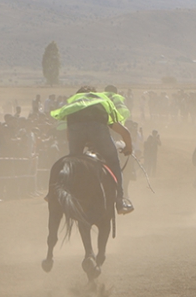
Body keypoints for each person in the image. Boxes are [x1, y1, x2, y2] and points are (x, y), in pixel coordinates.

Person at [50, 86, 134, 214]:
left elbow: (68, 136)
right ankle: (119, 201)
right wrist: (128, 148)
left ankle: (54, 194)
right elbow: (125, 133)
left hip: (76, 135)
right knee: (114, 162)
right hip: (100, 134)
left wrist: (82, 143)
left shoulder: (72, 109)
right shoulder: (101, 106)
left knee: (71, 164)